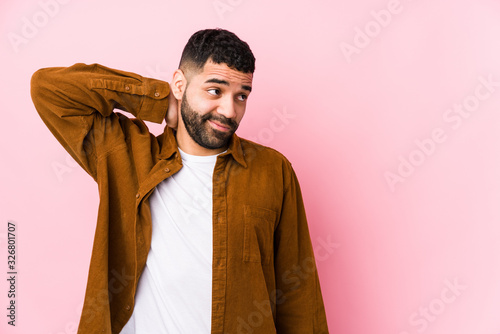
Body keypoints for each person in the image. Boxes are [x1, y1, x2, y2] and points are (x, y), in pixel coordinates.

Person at [31, 28, 329, 334]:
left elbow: (298, 297)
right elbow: (49, 89)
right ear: (180, 84)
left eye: (241, 95)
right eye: (215, 90)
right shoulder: (127, 155)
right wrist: (160, 102)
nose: (229, 111)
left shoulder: (272, 170)